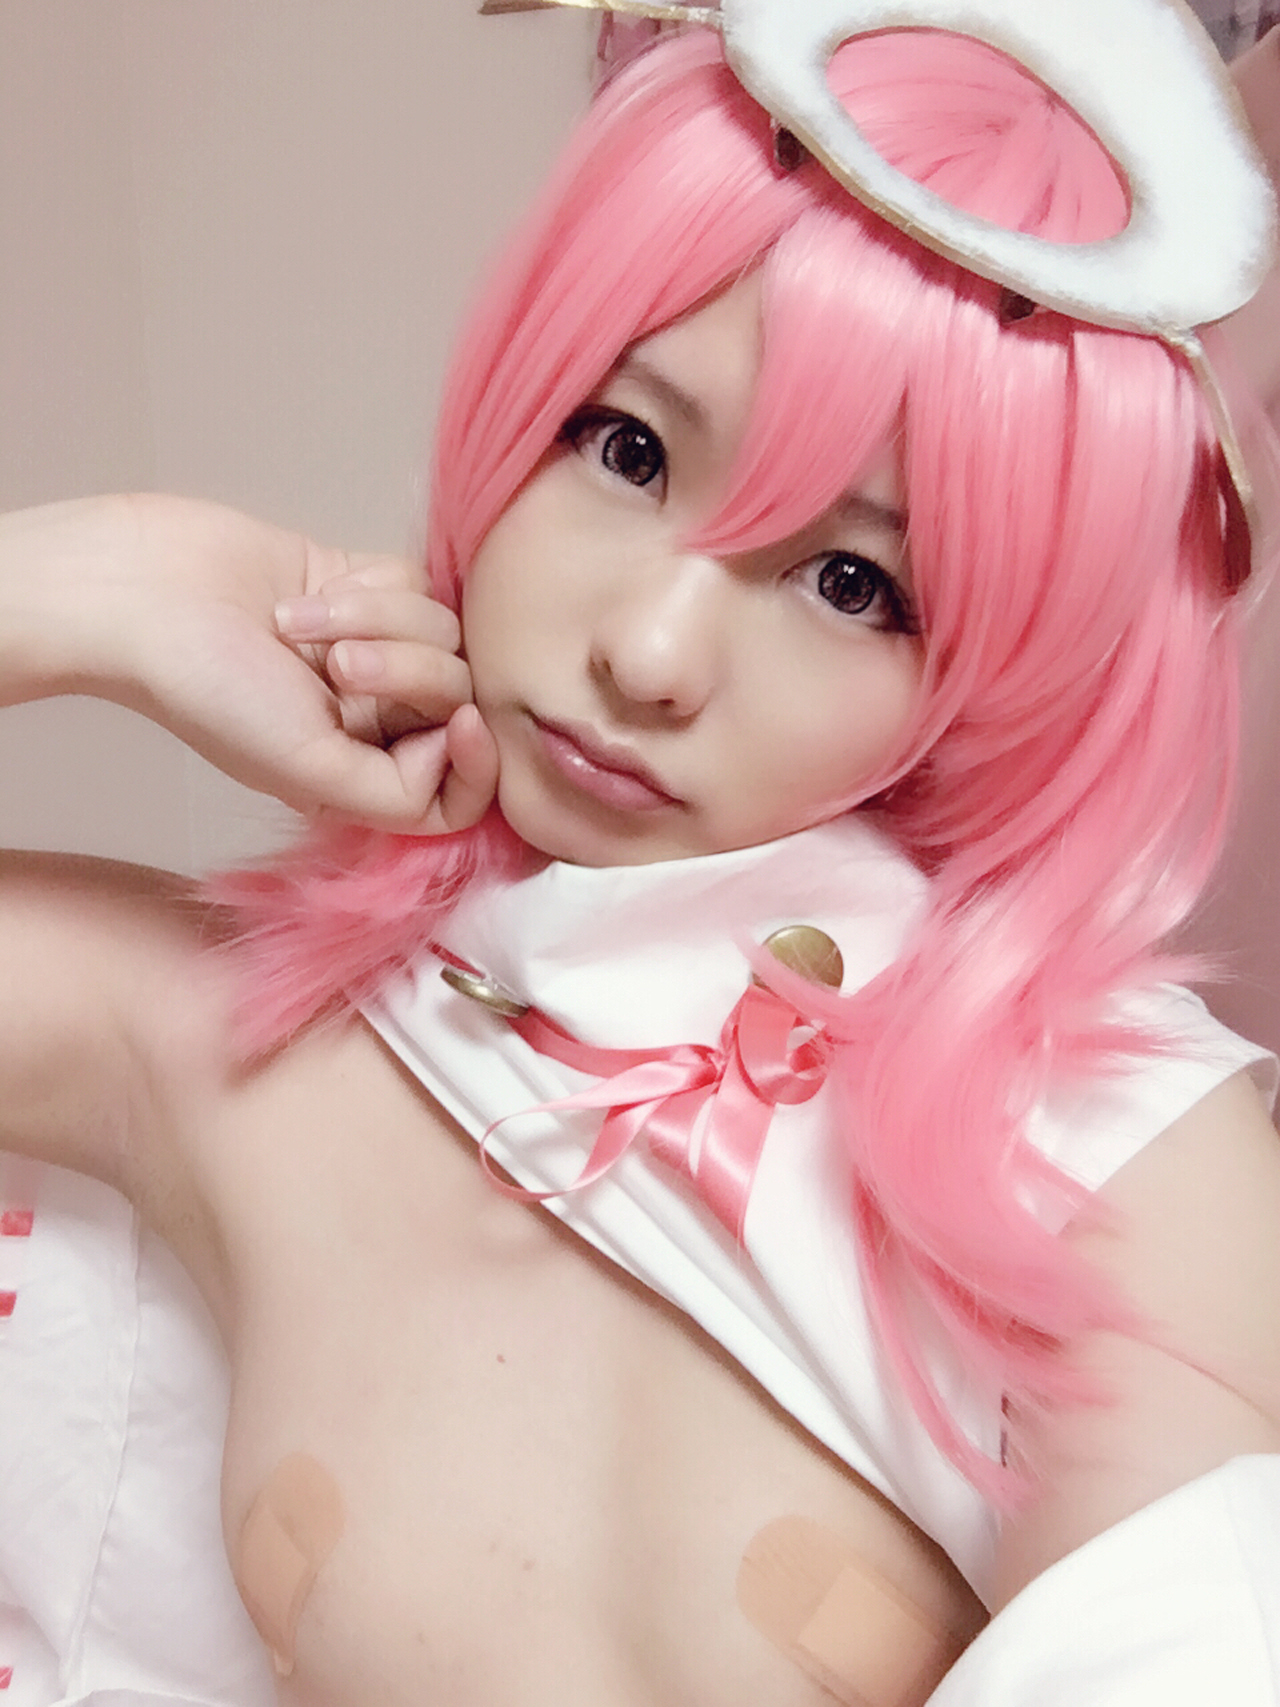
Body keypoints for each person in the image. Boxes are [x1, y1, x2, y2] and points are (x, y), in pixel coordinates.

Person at [3, 13, 1280, 1707]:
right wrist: (79, 583)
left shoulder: (1112, 1160)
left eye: (855, 584)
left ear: (996, 670)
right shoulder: (244, 1037)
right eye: (627, 447)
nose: (652, 652)